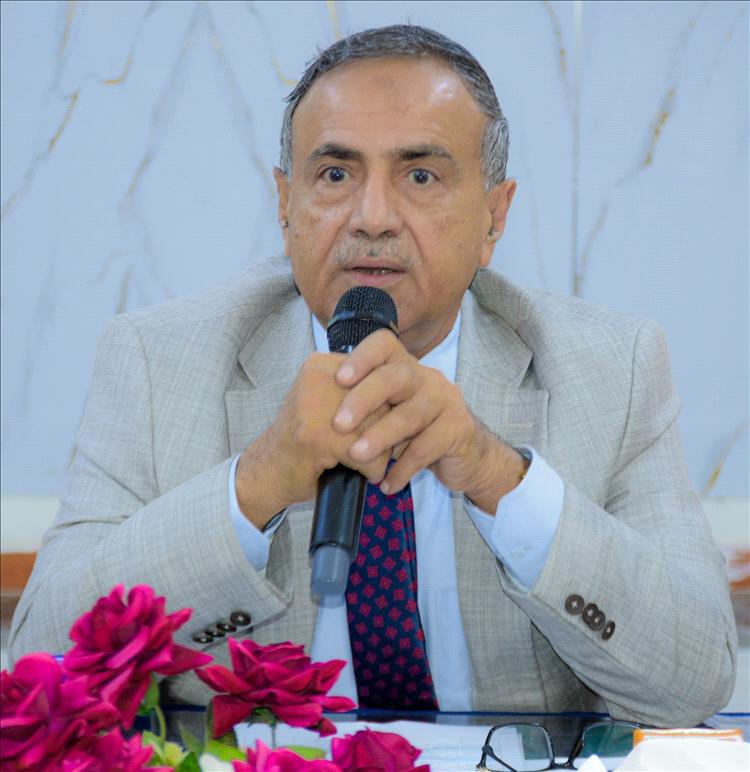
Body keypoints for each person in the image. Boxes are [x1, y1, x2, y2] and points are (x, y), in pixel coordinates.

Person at [10, 25, 736, 726]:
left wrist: (497, 476)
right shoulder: (157, 362)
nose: (373, 217)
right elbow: (47, 663)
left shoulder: (611, 368)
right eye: (335, 174)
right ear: (286, 205)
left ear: (494, 217)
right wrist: (254, 485)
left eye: (420, 175)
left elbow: (693, 679)